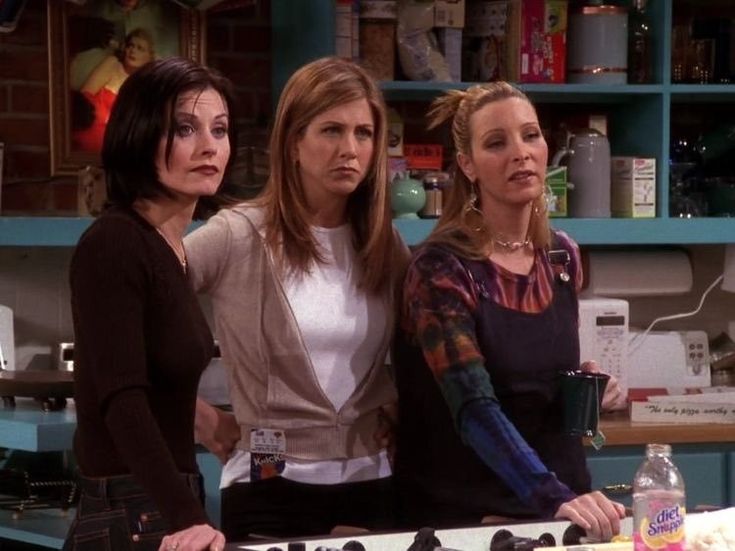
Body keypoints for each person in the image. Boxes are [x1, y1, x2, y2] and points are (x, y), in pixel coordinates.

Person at [186, 56, 410, 541]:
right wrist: (201, 417)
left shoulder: (383, 243)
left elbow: (419, 349)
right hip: (269, 480)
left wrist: (399, 406)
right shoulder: (237, 234)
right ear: (292, 143)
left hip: (372, 482)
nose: (349, 149)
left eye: (364, 133)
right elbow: (128, 313)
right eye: (331, 130)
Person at [392, 82, 627, 541]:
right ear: (467, 165)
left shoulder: (561, 257)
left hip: (560, 510)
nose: (520, 153)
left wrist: (585, 392)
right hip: (467, 517)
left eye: (530, 135)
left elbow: (529, 391)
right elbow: (474, 406)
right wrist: (551, 496)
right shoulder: (442, 269)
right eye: (496, 142)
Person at [65, 57, 236, 551]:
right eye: (185, 128)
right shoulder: (115, 242)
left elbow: (164, 390)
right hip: (133, 510)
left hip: (166, 499)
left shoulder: (170, 247)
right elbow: (121, 397)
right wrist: (184, 517)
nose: (209, 146)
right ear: (139, 135)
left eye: (220, 129)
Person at [72, 28, 155, 154]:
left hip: (117, 145)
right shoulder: (113, 64)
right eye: (130, 45)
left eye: (140, 48)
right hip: (90, 132)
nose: (133, 50)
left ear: (149, 57)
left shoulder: (147, 85)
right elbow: (83, 99)